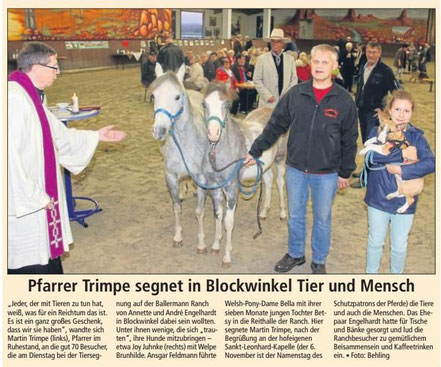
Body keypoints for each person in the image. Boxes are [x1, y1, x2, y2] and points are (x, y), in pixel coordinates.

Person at [8, 42, 126, 274]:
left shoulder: (33, 96)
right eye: (54, 66)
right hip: (26, 203)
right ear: (36, 66)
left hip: (40, 196)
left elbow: (58, 136)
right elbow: (9, 157)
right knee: (28, 258)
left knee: (45, 255)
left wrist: (96, 136)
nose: (58, 72)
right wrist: (35, 197)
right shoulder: (13, 99)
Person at [244, 44, 358, 274]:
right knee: (296, 215)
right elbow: (275, 125)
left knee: (322, 218)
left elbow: (350, 139)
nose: (319, 66)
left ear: (334, 67)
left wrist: (346, 172)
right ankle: (296, 253)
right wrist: (255, 150)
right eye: (316, 61)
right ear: (310, 63)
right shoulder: (296, 95)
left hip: (326, 173)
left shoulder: (344, 101)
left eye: (325, 62)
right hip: (296, 169)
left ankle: (319, 259)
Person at [363, 90, 435, 273]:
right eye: (397, 110)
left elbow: (431, 163)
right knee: (375, 242)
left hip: (404, 200)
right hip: (379, 197)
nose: (401, 115)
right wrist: (402, 154)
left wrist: (402, 170)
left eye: (406, 111)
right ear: (389, 110)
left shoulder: (417, 136)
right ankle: (370, 278)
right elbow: (370, 158)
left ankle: (397, 281)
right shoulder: (378, 130)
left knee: (399, 245)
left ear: (412, 113)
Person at [352, 41, 399, 187]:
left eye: (374, 52)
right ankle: (366, 171)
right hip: (361, 110)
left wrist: (385, 111)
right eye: (369, 51)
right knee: (366, 142)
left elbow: (396, 92)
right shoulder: (363, 66)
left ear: (379, 53)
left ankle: (366, 178)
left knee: (372, 143)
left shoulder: (385, 71)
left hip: (374, 114)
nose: (371, 55)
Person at [253, 28, 297, 108]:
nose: (275, 44)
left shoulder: (290, 59)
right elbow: (256, 79)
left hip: (284, 103)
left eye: (278, 41)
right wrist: (267, 95)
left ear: (282, 43)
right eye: (273, 41)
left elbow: (294, 79)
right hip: (267, 104)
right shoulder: (262, 59)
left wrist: (287, 95)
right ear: (270, 43)